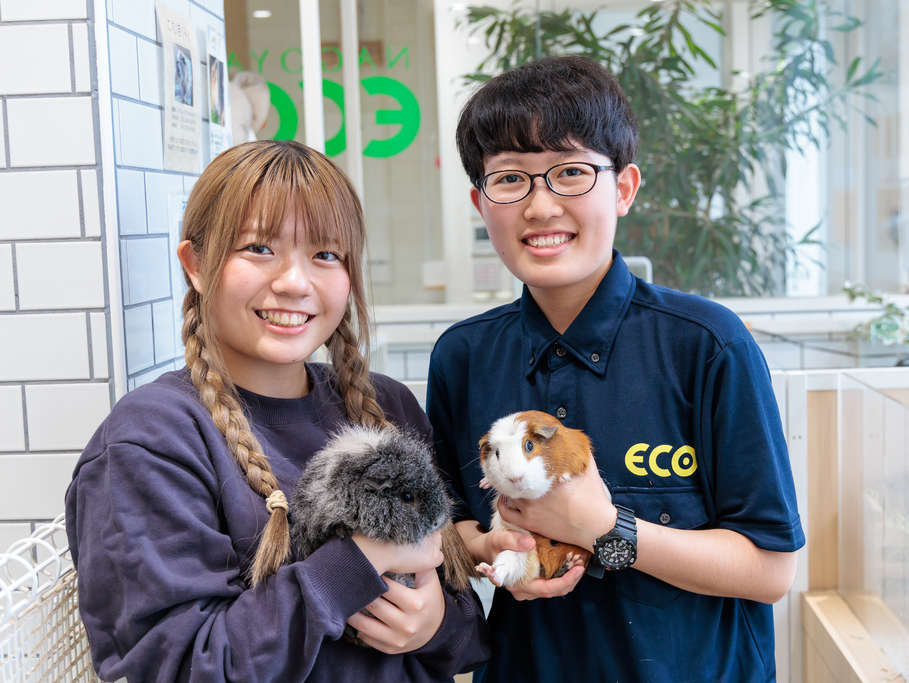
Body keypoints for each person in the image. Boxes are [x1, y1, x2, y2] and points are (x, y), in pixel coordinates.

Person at [426, 56, 805, 682]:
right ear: (480, 201)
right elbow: (442, 535)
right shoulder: (464, 357)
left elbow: (769, 570)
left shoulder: (707, 346)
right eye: (510, 179)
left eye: (571, 172)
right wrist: (491, 547)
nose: (541, 206)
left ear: (624, 188)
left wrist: (606, 529)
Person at [65, 140, 489, 682]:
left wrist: (434, 626)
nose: (294, 282)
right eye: (259, 248)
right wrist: (352, 566)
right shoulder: (151, 438)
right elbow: (172, 667)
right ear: (195, 264)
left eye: (326, 254)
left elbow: (468, 629)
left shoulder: (388, 406)